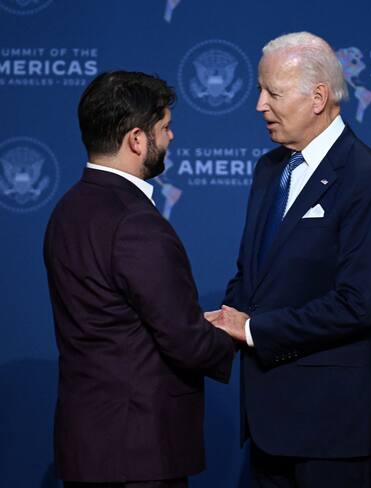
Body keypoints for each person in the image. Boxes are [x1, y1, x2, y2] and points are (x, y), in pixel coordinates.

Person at [206, 32, 371, 488]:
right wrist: (218, 326)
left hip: (330, 427)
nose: (259, 105)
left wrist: (253, 331)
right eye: (260, 90)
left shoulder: (367, 178)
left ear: (318, 97)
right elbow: (251, 275)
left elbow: (358, 303)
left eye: (272, 93)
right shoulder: (268, 169)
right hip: (265, 420)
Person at [43, 71, 235, 488]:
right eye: (164, 128)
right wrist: (236, 333)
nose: (170, 138)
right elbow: (182, 339)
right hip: (139, 454)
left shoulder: (67, 210)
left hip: (87, 448)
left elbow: (119, 319)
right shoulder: (135, 222)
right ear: (136, 139)